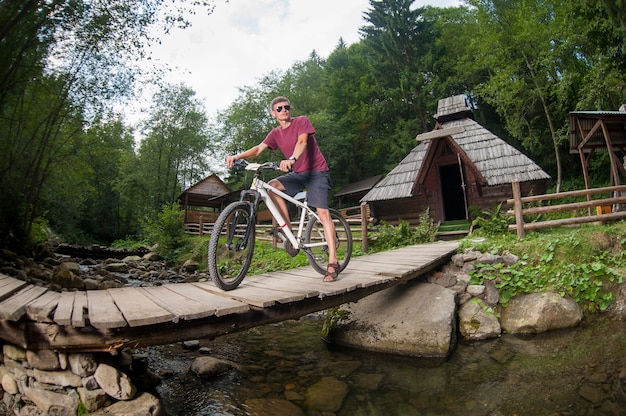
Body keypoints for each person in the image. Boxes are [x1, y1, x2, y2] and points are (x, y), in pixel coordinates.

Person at [226, 96, 339, 282]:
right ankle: (288, 231)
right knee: (272, 187)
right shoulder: (275, 133)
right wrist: (236, 156)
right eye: (279, 109)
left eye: (286, 107)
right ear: (273, 113)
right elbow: (257, 150)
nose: (284, 110)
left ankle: (333, 262)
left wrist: (292, 159)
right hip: (299, 173)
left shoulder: (301, 121)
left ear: (290, 109)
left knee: (323, 214)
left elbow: (302, 142)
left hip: (317, 172)